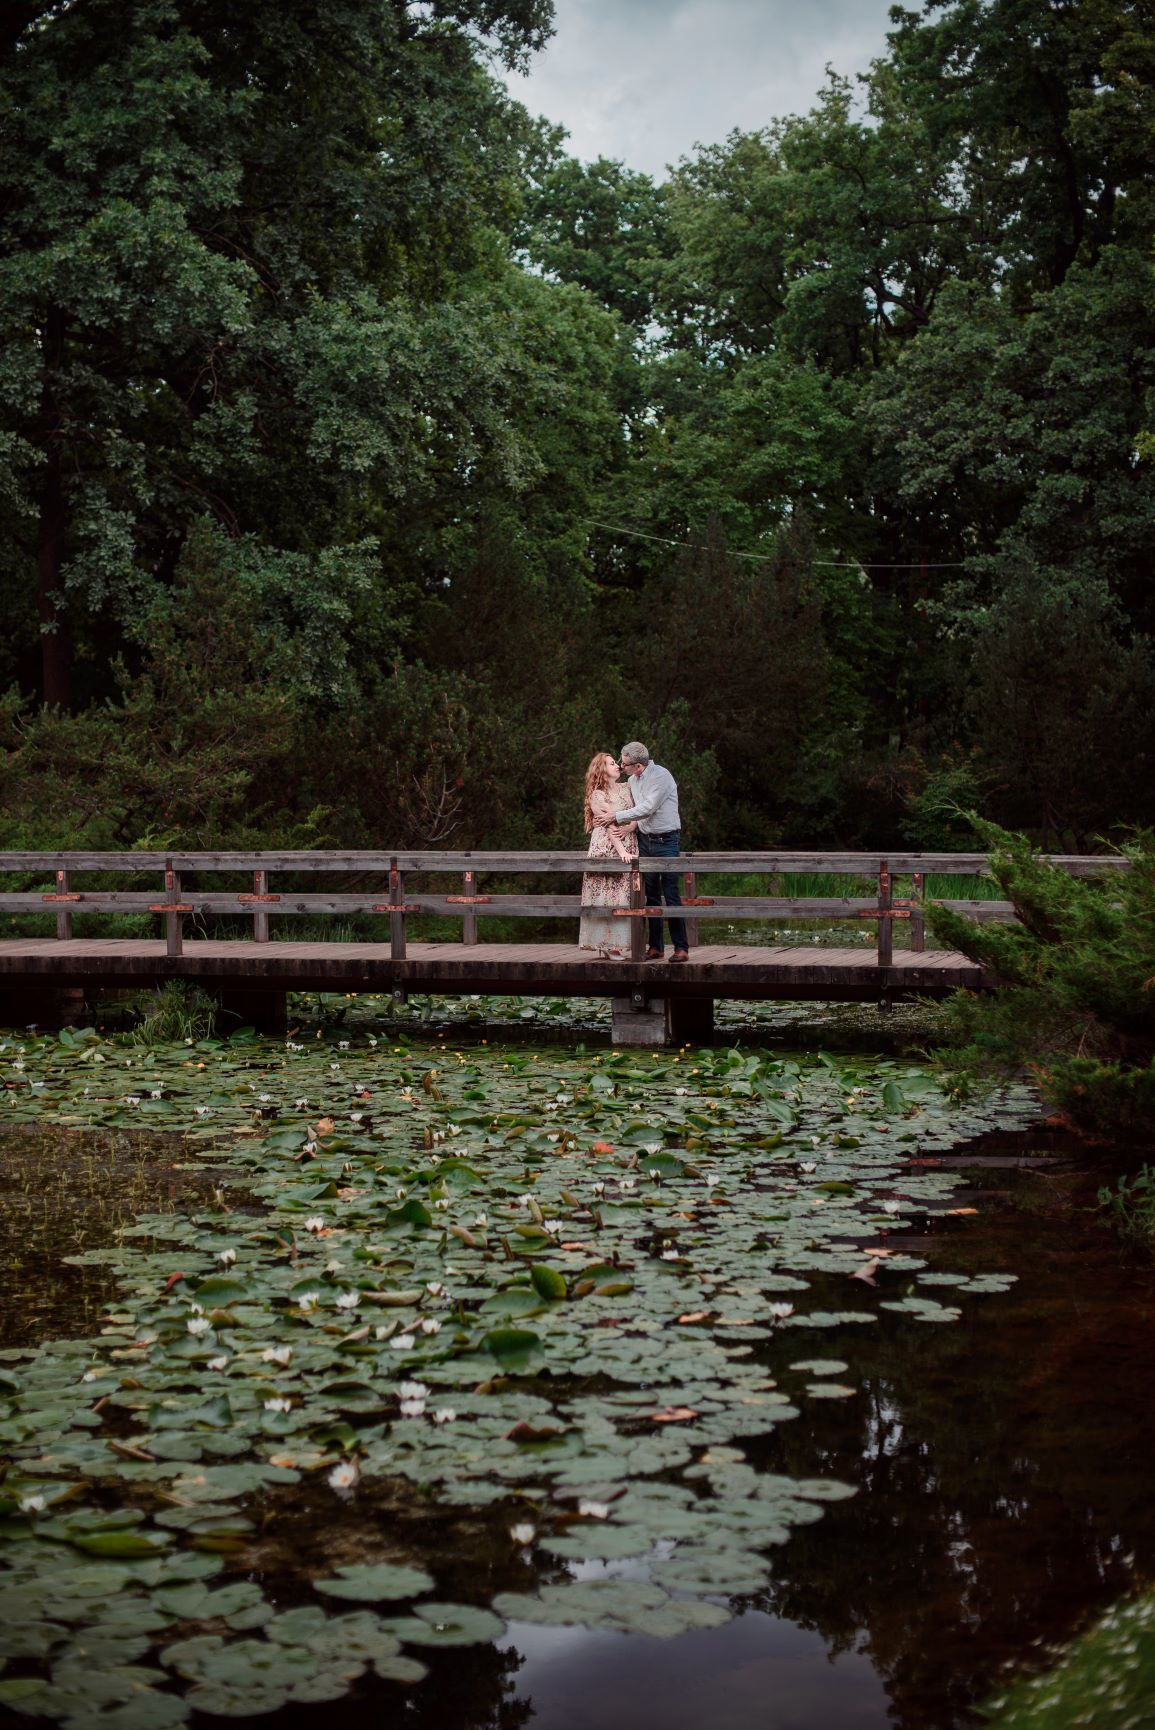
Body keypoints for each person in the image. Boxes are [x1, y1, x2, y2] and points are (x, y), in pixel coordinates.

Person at [596, 741, 688, 961]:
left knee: (672, 894)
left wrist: (616, 817)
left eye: (625, 764)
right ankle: (655, 947)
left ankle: (681, 948)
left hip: (666, 841)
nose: (621, 766)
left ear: (638, 766)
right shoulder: (633, 781)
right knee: (652, 896)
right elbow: (639, 812)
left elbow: (648, 807)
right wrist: (630, 825)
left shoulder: (661, 777)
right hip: (645, 841)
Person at [579, 752, 638, 958]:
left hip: (627, 838)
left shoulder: (627, 787)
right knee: (605, 895)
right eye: (612, 764)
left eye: (616, 763)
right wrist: (621, 850)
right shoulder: (598, 794)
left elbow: (638, 811)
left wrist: (630, 829)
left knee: (623, 894)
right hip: (607, 845)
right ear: (602, 770)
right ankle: (607, 944)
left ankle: (617, 943)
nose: (617, 766)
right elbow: (608, 823)